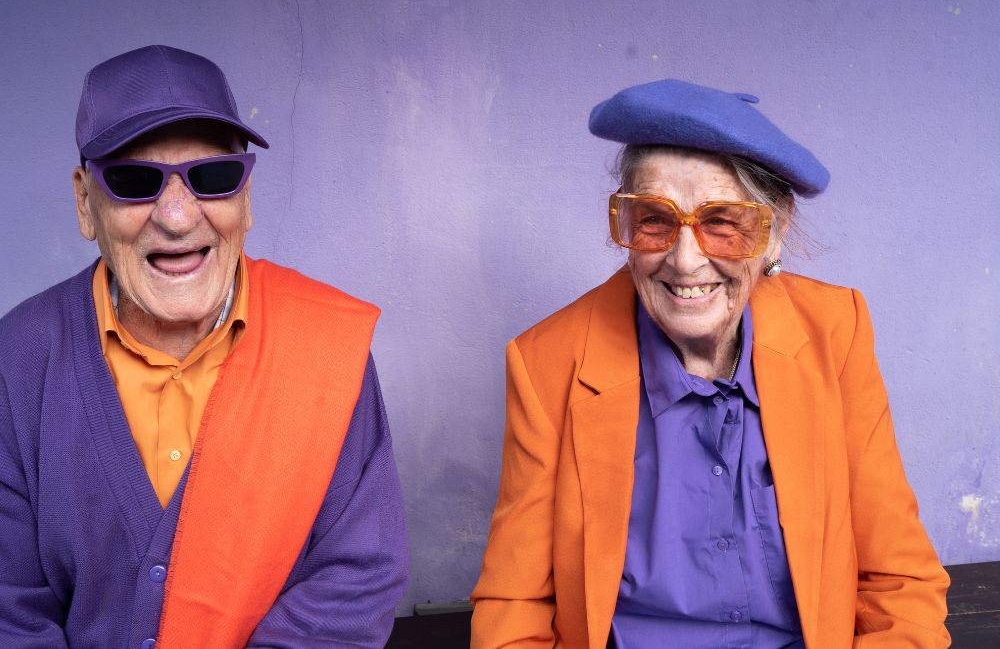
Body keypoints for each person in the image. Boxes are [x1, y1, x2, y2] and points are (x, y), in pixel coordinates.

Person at [471, 79, 950, 647]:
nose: (684, 258)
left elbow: (900, 582)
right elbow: (514, 606)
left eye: (722, 222)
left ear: (773, 235)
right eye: (653, 219)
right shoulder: (546, 362)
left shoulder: (835, 330)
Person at [0, 45, 407, 648]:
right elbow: (10, 609)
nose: (177, 215)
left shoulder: (329, 347)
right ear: (86, 203)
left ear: (245, 199)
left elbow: (356, 579)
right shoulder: (17, 360)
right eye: (134, 181)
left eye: (212, 177)